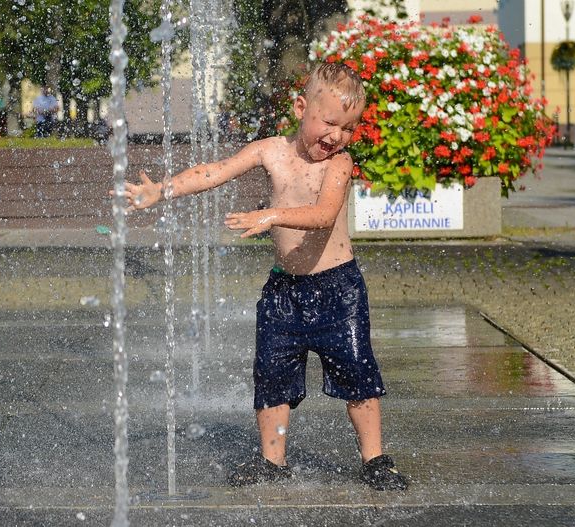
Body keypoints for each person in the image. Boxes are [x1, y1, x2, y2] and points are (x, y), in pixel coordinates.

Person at [117, 62, 408, 491]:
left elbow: (325, 215)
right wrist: (163, 190)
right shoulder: (270, 151)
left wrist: (271, 215)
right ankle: (273, 460)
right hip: (284, 290)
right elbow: (214, 172)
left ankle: (375, 458)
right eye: (329, 122)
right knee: (272, 375)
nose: (336, 136)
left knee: (357, 372)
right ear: (300, 107)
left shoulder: (339, 165)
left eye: (348, 128)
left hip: (338, 289)